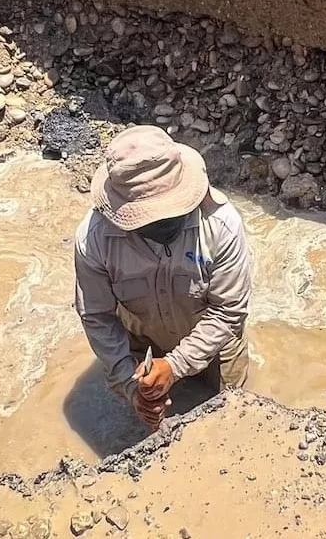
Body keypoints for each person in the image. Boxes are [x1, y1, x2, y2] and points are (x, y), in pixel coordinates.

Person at [74, 125, 252, 428]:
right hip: (141, 342)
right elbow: (97, 317)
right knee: (147, 430)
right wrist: (130, 386)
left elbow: (228, 311)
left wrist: (175, 365)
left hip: (216, 341)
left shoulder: (221, 224)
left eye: (172, 214)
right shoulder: (93, 239)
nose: (164, 224)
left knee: (230, 422)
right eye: (150, 220)